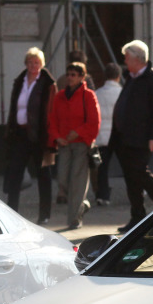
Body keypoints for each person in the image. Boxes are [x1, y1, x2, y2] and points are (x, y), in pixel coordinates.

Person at [109, 39, 153, 232]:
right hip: (125, 138)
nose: (124, 62)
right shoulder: (132, 77)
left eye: (127, 58)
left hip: (143, 138)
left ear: (138, 59)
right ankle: (138, 216)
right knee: (131, 177)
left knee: (140, 173)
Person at [4, 47, 57, 224]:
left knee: (43, 174)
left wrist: (50, 137)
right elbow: (14, 107)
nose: (33, 65)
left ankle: (45, 214)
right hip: (20, 133)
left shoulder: (47, 83)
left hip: (40, 135)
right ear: (26, 63)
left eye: (37, 62)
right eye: (30, 62)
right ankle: (11, 212)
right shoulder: (20, 81)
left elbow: (51, 111)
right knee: (15, 173)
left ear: (42, 64)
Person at [48, 62, 101, 230]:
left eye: (74, 75)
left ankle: (74, 220)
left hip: (81, 145)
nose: (70, 77)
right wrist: (57, 137)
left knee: (77, 183)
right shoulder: (60, 96)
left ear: (81, 77)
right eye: (68, 74)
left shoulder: (88, 96)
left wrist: (78, 132)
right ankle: (83, 204)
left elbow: (94, 121)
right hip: (64, 145)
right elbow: (53, 119)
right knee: (62, 180)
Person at [94, 62, 122, 206]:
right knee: (127, 167)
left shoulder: (98, 93)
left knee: (102, 168)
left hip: (102, 136)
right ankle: (137, 191)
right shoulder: (122, 93)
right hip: (118, 135)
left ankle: (103, 196)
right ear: (118, 76)